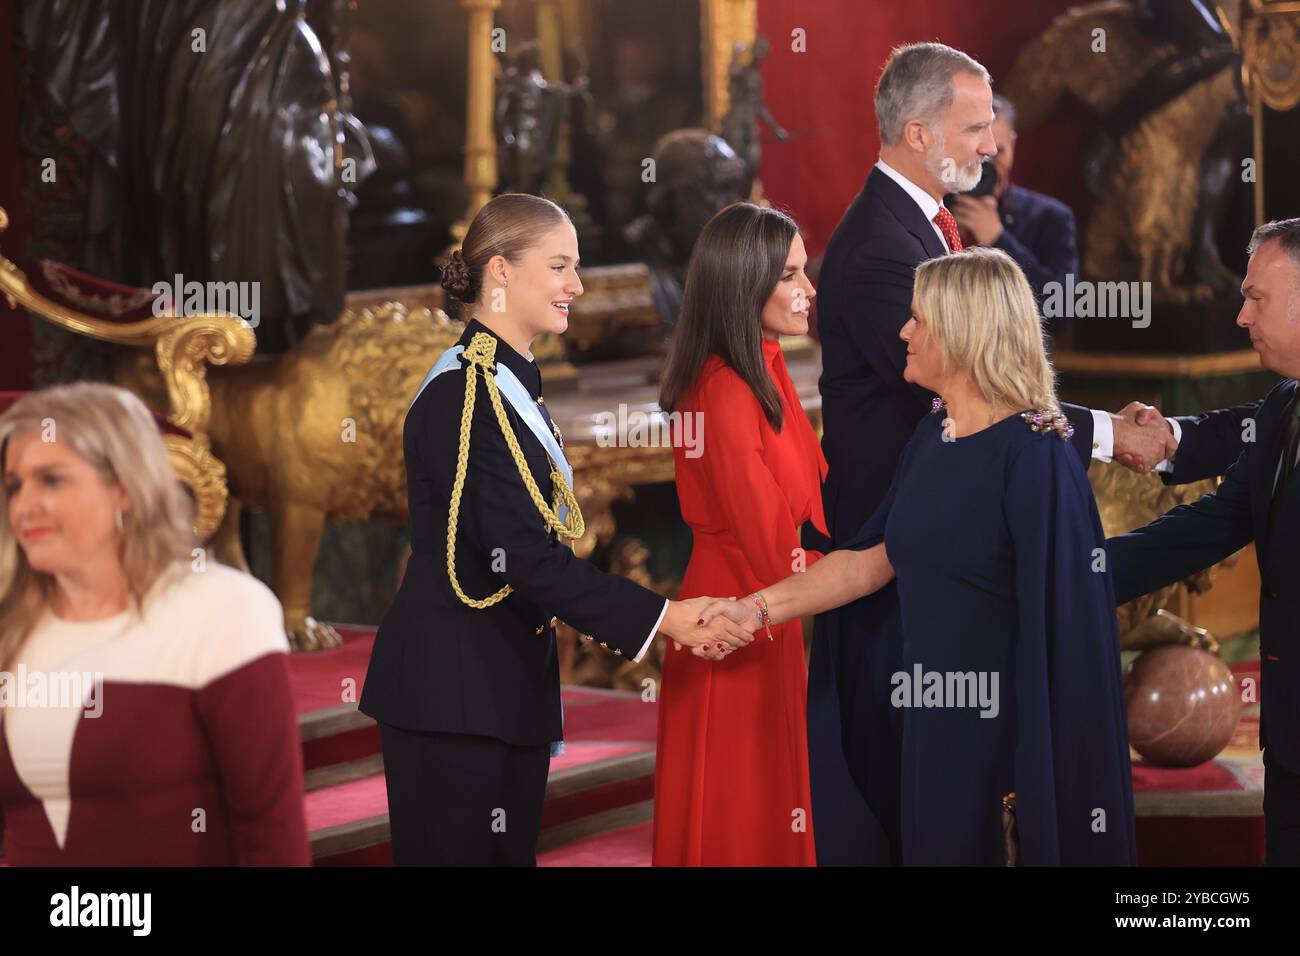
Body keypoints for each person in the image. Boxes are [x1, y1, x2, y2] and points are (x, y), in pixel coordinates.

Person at [810, 40, 1170, 866]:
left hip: (949, 561)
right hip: (899, 570)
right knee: (912, 794)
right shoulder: (877, 248)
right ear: (914, 131)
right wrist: (1112, 435)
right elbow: (976, 390)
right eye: (974, 128)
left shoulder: (922, 228)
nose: (991, 146)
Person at [703, 248, 1137, 866]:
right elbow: (870, 560)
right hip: (931, 724)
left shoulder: (1035, 453)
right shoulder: (934, 435)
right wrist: (754, 610)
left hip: (1003, 737)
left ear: (963, 331)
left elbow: (1066, 628)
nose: (903, 331)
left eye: (918, 319)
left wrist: (1035, 769)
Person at [358, 193, 751, 866]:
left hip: (497, 687)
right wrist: (668, 619)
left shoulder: (508, 380)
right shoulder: (467, 392)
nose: (577, 285)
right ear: (501, 272)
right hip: (451, 697)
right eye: (560, 266)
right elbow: (525, 560)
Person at [0, 383, 309, 865]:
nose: (24, 506)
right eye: (15, 485)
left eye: (51, 480)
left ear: (124, 487)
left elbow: (271, 831)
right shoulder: (12, 625)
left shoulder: (224, 607)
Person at [1108, 218, 1300, 865]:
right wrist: (1078, 572)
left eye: (1257, 298)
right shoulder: (1283, 409)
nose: (1242, 316)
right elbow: (1208, 526)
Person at [653, 203, 826, 866]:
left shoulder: (761, 368)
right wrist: (875, 569)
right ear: (744, 284)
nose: (807, 290)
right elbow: (766, 541)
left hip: (762, 608)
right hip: (734, 617)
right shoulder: (725, 389)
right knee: (739, 816)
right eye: (789, 276)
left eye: (804, 272)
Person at [950, 94, 1080, 335]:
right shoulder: (936, 209)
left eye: (998, 152)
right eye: (980, 154)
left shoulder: (1049, 218)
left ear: (1013, 145)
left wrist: (999, 240)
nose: (987, 166)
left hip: (1019, 368)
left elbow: (1063, 310)